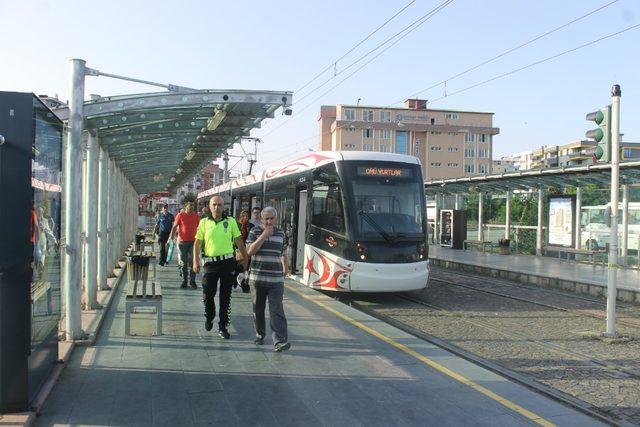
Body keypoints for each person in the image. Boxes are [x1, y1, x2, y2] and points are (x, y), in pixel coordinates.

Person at [193, 196, 248, 339]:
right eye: (214, 205)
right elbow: (197, 244)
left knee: (225, 297)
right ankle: (209, 316)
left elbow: (239, 241)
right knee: (208, 295)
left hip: (227, 263)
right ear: (209, 207)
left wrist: (245, 258)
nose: (217, 207)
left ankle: (223, 326)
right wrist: (195, 261)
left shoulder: (230, 222)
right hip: (210, 265)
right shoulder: (204, 222)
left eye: (219, 205)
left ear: (224, 207)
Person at [245, 207, 290, 352]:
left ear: (276, 219)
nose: (270, 221)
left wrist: (285, 267)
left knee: (277, 310)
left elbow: (282, 252)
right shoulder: (254, 232)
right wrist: (263, 235)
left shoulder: (281, 233)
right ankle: (260, 334)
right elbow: (249, 251)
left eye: (272, 218)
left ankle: (280, 341)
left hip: (276, 280)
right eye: (267, 218)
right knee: (258, 309)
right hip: (257, 279)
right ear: (262, 220)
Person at [168, 201, 200, 288]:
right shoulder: (180, 215)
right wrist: (171, 238)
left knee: (192, 261)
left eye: (193, 206)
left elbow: (199, 227)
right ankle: (184, 281)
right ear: (186, 207)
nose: (192, 207)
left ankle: (192, 281)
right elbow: (174, 227)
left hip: (193, 242)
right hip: (182, 242)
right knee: (183, 262)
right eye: (190, 206)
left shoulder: (196, 216)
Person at [235, 210, 254, 293]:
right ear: (240, 216)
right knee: (238, 267)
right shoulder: (236, 225)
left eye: (247, 216)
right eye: (243, 216)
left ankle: (244, 283)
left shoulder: (251, 226)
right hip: (237, 250)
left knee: (246, 268)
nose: (245, 217)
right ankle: (236, 279)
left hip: (248, 249)